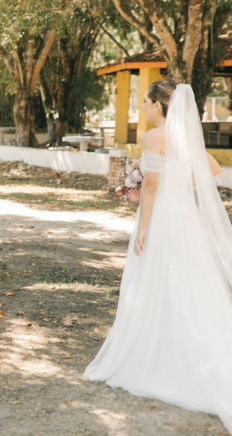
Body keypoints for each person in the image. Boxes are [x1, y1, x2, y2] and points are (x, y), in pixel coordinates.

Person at [85, 79, 232, 430]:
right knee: (192, 282)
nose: (144, 109)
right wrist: (180, 180)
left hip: (163, 217)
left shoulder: (154, 138)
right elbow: (212, 169)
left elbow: (150, 185)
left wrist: (145, 227)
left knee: (154, 278)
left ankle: (159, 353)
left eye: (147, 103)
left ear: (159, 105)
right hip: (185, 217)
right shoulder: (185, 136)